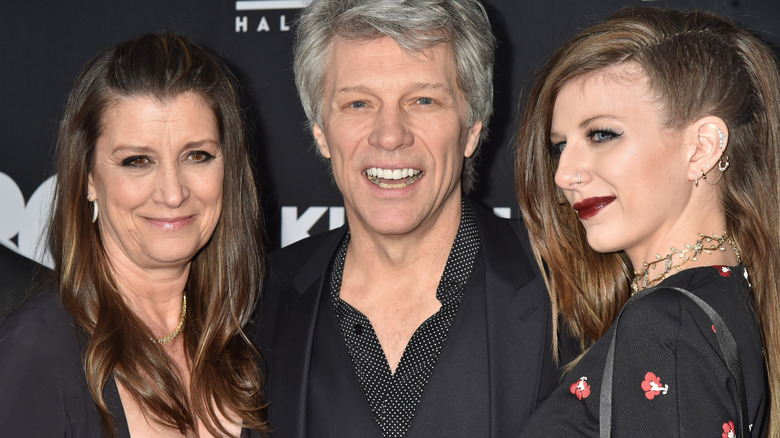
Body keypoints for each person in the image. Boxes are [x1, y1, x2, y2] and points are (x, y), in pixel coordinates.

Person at [253, 1, 570, 437]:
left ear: (472, 126)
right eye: (359, 103)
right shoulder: (257, 303)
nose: (390, 135)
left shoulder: (570, 287)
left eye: (423, 100)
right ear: (321, 131)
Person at [515, 7, 778, 437]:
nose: (564, 174)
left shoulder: (666, 324)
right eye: (559, 146)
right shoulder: (732, 292)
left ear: (702, 147)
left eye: (601, 134)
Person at [0, 33, 269, 437]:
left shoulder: (253, 333)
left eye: (197, 155)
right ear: (88, 178)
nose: (173, 193)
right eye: (137, 161)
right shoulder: (37, 351)